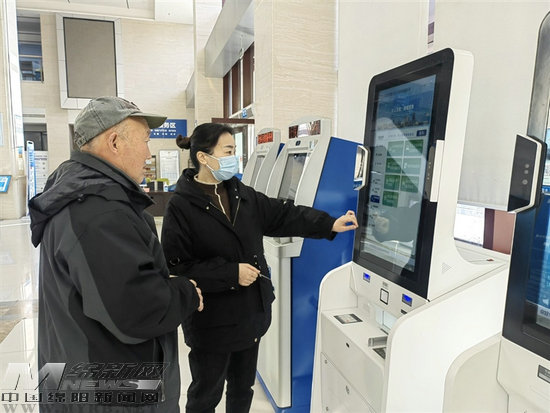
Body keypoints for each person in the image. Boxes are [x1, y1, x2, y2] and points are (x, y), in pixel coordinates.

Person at [161, 123, 358, 413]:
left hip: (249, 315)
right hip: (211, 323)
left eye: (234, 151)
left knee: (243, 389)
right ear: (203, 157)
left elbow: (284, 215)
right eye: (228, 151)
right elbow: (177, 267)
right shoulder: (181, 206)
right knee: (206, 394)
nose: (234, 158)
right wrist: (231, 273)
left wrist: (329, 223)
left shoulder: (241, 194)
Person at [28, 96, 203, 412]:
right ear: (114, 142)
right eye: (145, 141)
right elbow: (137, 311)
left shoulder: (78, 194)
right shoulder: (99, 213)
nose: (148, 154)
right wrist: (186, 291)